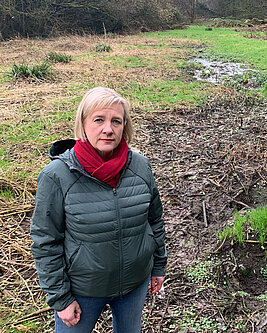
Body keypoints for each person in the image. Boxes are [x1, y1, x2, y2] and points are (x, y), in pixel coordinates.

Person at [30, 87, 167, 332]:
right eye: (99, 120)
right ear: (83, 124)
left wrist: (158, 267)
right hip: (83, 290)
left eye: (116, 121)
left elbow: (154, 220)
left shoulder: (140, 166)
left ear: (125, 126)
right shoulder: (56, 176)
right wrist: (61, 298)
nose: (108, 129)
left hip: (134, 284)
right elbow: (45, 241)